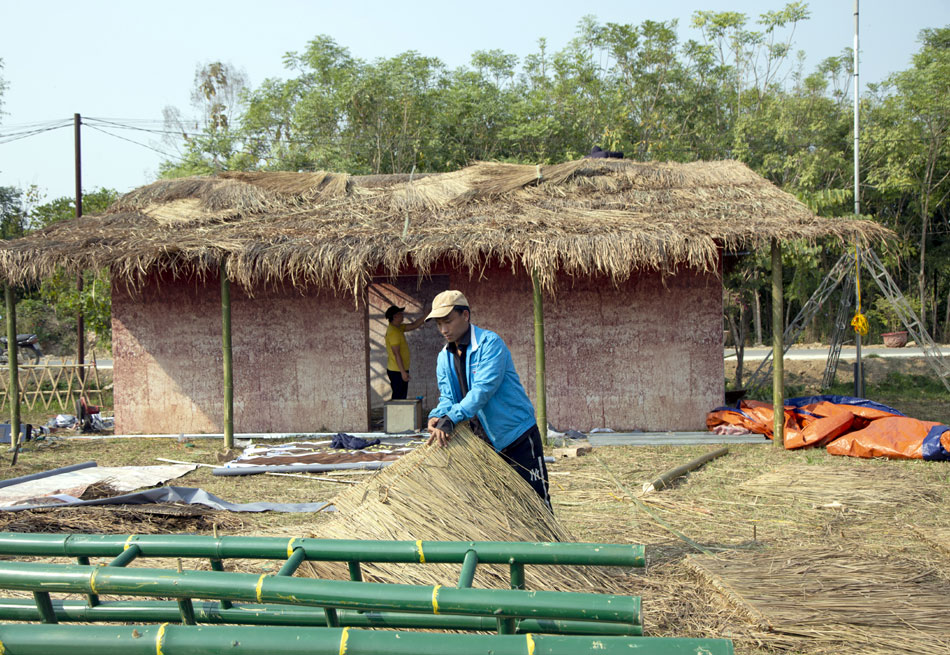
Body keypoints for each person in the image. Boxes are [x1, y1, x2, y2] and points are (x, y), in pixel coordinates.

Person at [424, 290, 550, 508]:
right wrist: (438, 415)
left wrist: (452, 418)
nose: (443, 330)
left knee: (536, 504)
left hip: (516, 436)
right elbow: (448, 396)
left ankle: (551, 543)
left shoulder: (490, 344)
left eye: (448, 321)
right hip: (483, 443)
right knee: (500, 510)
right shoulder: (444, 357)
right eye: (438, 324)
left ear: (465, 316)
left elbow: (483, 389)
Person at [384, 304, 425, 400]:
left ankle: (398, 414)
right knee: (398, 398)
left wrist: (426, 315)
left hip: (399, 369)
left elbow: (414, 325)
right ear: (395, 317)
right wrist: (403, 372)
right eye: (400, 314)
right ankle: (395, 415)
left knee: (400, 397)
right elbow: (396, 353)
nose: (403, 315)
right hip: (397, 371)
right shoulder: (393, 332)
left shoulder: (398, 328)